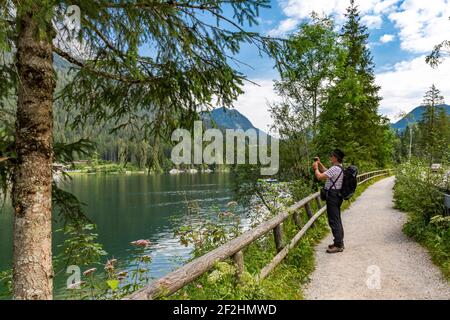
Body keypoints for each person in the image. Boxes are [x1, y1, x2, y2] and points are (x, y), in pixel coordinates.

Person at [312, 149, 345, 253]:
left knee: (334, 220)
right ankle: (338, 242)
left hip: (332, 196)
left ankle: (338, 245)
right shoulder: (339, 168)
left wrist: (315, 168)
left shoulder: (335, 169)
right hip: (337, 196)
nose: (330, 157)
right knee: (337, 219)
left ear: (335, 157)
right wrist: (319, 163)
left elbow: (319, 176)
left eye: (331, 155)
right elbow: (326, 171)